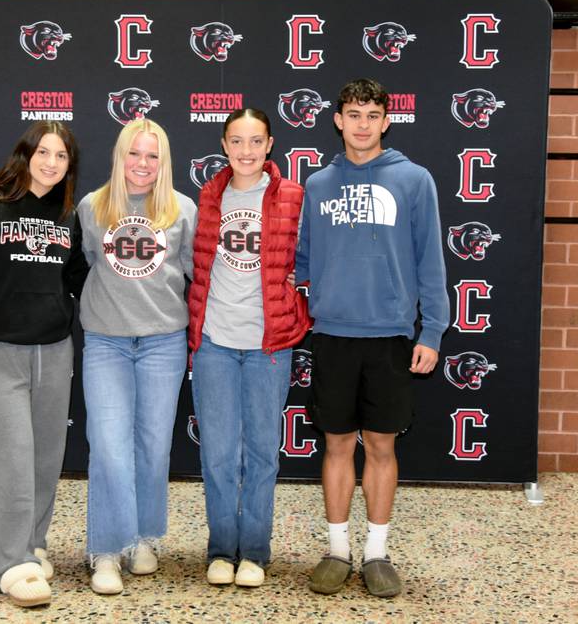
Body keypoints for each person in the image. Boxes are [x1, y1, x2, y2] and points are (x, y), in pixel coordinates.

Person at [296, 78, 449, 597]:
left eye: (372, 115)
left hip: (389, 336)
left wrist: (431, 330)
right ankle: (337, 550)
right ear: (337, 120)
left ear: (386, 121)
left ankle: (377, 552)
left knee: (381, 445)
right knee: (337, 444)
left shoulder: (414, 180)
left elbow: (432, 262)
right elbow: (300, 263)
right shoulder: (317, 185)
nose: (362, 124)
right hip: (333, 334)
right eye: (353, 114)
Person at [0, 120, 88, 607]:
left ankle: (33, 544)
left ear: (70, 165)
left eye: (62, 156)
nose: (51, 162)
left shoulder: (67, 214)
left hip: (53, 350)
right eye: (44, 152)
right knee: (11, 460)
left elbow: (77, 277)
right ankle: (11, 564)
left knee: (46, 458)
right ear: (25, 153)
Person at [188, 108, 311, 588]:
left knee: (262, 451)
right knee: (218, 453)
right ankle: (221, 550)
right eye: (236, 141)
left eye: (255, 141)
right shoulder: (208, 195)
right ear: (224, 145)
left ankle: (255, 552)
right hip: (215, 342)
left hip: (269, 347)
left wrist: (297, 313)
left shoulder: (293, 196)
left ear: (270, 144)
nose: (246, 151)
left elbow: (310, 261)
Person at [78, 118, 197, 595]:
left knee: (153, 446)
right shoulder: (92, 207)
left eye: (153, 155)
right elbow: (89, 261)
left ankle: (143, 538)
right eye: (134, 153)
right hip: (106, 340)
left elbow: (191, 271)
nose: (143, 164)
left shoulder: (182, 209)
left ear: (163, 161)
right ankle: (105, 549)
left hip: (163, 343)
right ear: (119, 155)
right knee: (108, 446)